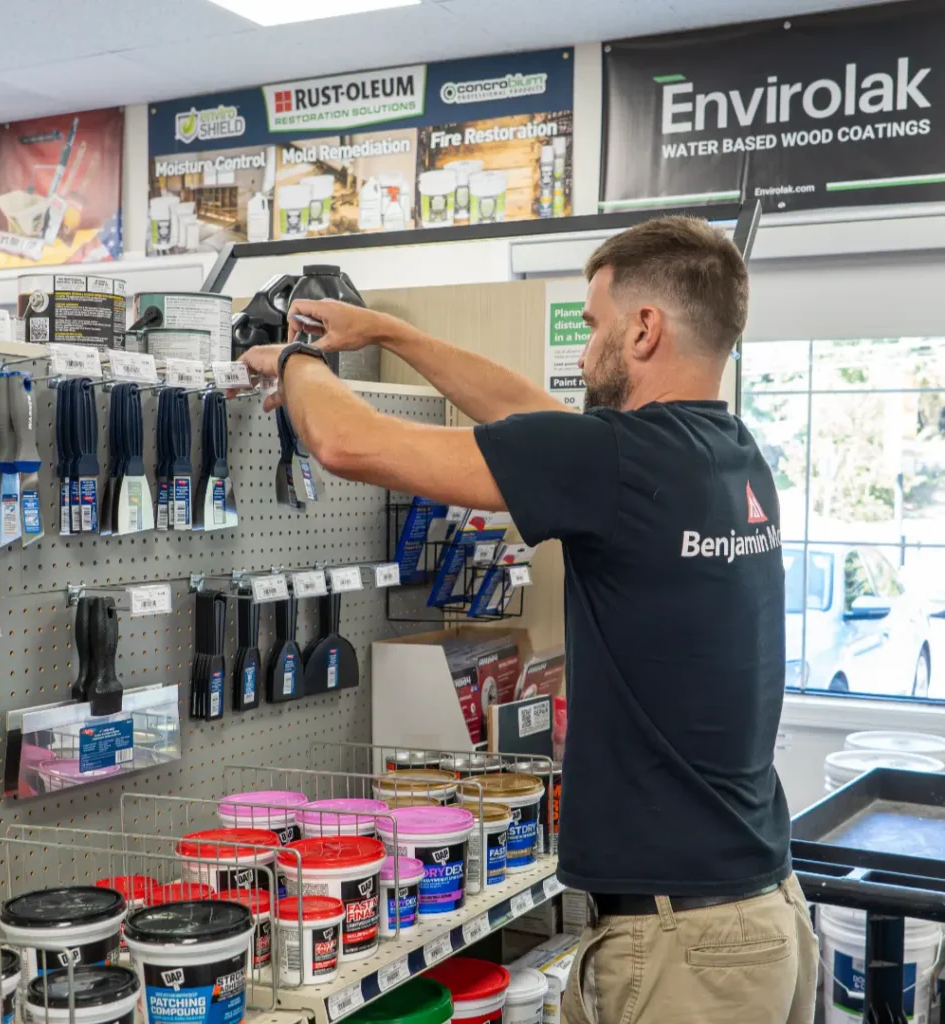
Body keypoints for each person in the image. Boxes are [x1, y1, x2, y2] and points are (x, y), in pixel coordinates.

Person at [239, 215, 818, 1024]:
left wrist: (294, 361)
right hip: (761, 918)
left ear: (645, 328)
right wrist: (388, 334)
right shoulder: (725, 453)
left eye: (592, 326)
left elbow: (346, 443)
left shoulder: (618, 460)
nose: (582, 355)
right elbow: (528, 415)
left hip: (687, 952)